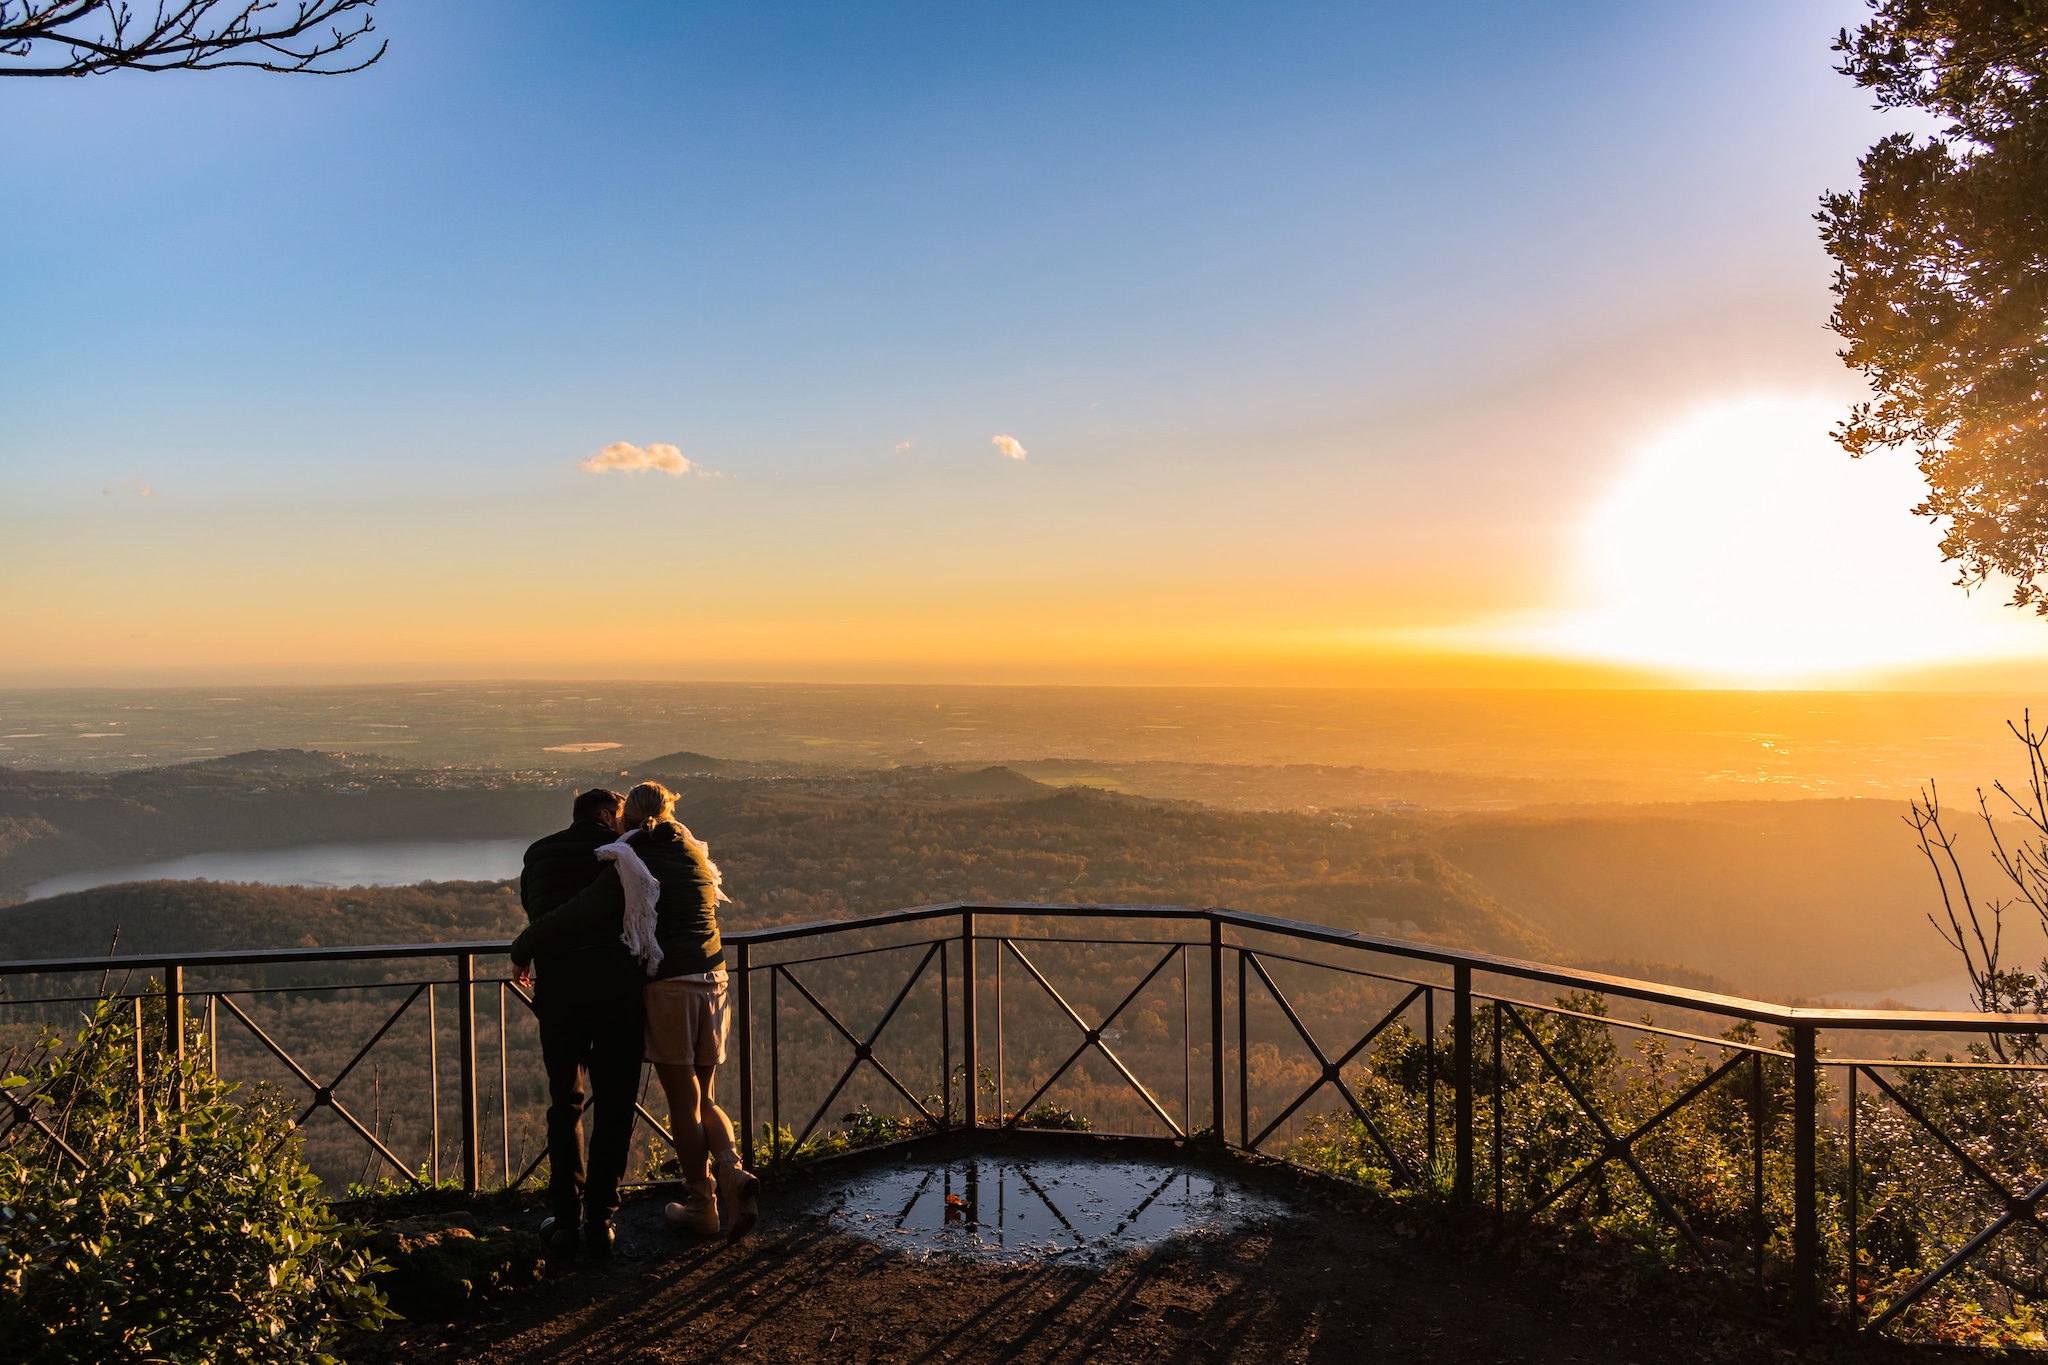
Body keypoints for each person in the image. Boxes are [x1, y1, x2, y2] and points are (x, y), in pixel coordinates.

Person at [511, 781, 761, 1241]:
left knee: (572, 1104)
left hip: (609, 988)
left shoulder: (617, 859)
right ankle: (618, 1213)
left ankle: (581, 1218)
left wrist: (524, 947)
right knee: (660, 1100)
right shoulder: (687, 852)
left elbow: (564, 910)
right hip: (691, 982)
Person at [513, 787, 642, 1260]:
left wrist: (531, 949)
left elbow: (538, 912)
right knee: (615, 1101)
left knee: (564, 1101)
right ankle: (602, 1220)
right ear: (607, 815)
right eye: (621, 815)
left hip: (559, 987)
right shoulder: (621, 854)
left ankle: (566, 1219)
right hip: (615, 986)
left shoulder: (538, 852)